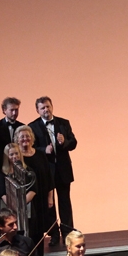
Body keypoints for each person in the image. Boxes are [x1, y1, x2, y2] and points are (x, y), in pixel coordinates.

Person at [29, 97, 78, 245]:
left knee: (65, 202)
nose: (46, 110)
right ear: (37, 110)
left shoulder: (63, 123)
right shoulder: (32, 126)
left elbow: (73, 143)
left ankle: (68, 233)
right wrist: (44, 150)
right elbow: (30, 148)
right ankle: (54, 234)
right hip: (46, 171)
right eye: (42, 108)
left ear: (52, 106)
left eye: (48, 106)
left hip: (63, 169)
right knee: (49, 205)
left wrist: (64, 142)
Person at [0, 143, 37, 226]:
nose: (15, 156)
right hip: (9, 211)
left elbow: (33, 189)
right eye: (11, 154)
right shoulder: (2, 174)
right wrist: (15, 206)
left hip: (26, 209)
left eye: (16, 153)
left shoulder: (28, 171)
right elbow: (2, 193)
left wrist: (22, 203)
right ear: (7, 156)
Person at [0, 97, 23, 171]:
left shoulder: (22, 126)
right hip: (1, 164)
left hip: (19, 165)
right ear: (4, 110)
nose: (14, 113)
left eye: (16, 110)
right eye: (11, 110)